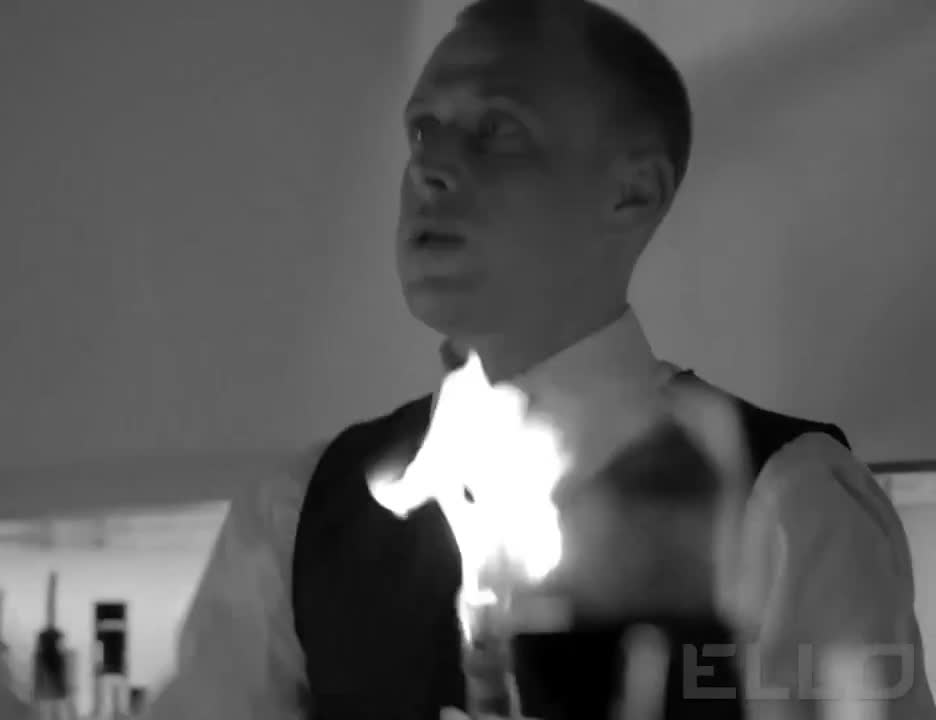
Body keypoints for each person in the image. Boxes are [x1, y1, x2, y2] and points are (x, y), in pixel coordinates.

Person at [144, 1, 934, 718]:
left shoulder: (791, 507)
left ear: (632, 191)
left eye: (497, 129)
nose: (430, 165)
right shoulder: (295, 518)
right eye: (422, 131)